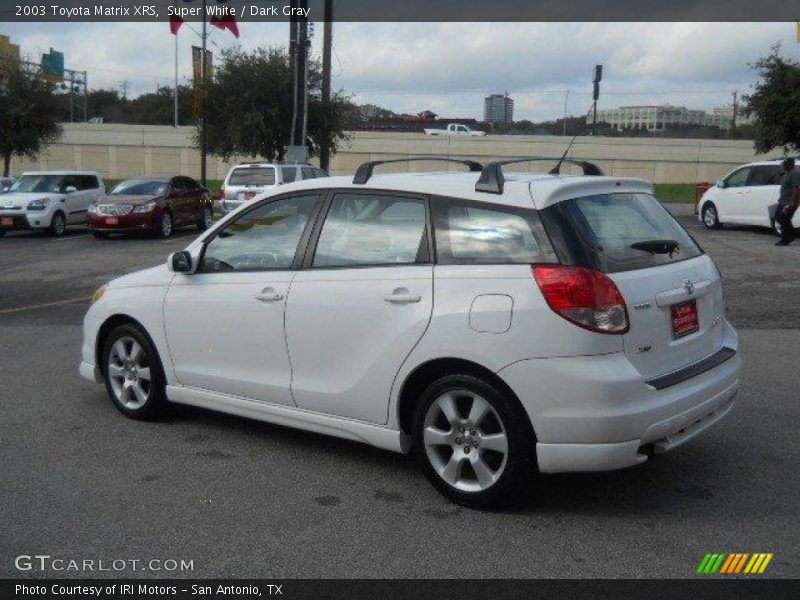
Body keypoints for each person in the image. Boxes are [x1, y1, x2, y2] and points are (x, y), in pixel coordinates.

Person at [776, 157, 800, 246]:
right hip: (783, 201)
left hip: (789, 202)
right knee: (779, 217)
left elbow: (796, 188)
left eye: (785, 164)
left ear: (790, 164)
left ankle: (785, 239)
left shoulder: (795, 173)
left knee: (784, 219)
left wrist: (791, 202)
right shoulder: (787, 173)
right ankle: (794, 233)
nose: (783, 166)